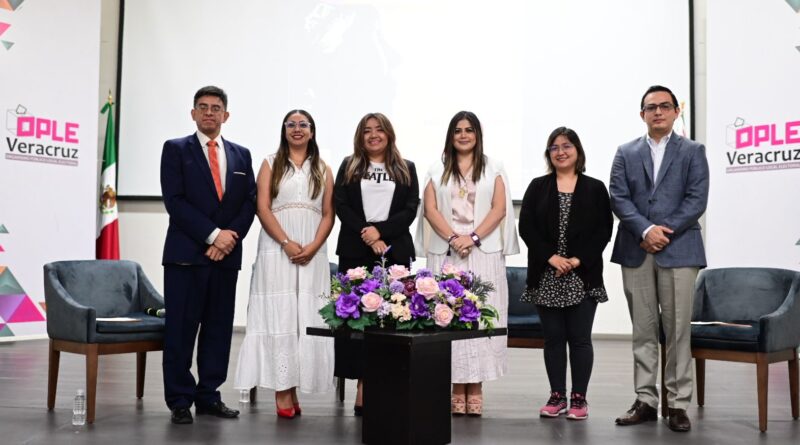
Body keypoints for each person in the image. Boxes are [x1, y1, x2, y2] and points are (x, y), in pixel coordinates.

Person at [610, 85, 709, 432]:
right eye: (651, 107)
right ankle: (646, 401)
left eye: (665, 106)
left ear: (675, 112)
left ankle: (678, 404)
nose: (658, 112)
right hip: (636, 248)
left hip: (679, 248)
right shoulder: (625, 152)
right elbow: (618, 197)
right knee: (643, 329)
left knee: (678, 330)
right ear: (642, 114)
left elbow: (697, 199)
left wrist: (662, 231)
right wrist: (645, 230)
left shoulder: (693, 151)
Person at [160, 86, 256, 424]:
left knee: (218, 330)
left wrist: (229, 238)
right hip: (186, 257)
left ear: (225, 115)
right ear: (193, 113)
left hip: (226, 258)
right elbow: (175, 201)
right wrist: (214, 235)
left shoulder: (242, 155)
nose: (209, 113)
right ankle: (179, 400)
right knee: (180, 331)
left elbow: (249, 202)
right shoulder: (175, 149)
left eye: (216, 108)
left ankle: (209, 395)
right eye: (202, 107)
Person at [233, 110, 335, 419]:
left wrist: (313, 246)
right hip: (277, 249)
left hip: (313, 250)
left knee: (305, 315)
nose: (297, 129)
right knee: (281, 315)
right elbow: (262, 208)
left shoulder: (323, 168)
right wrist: (287, 242)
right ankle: (282, 389)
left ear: (312, 131)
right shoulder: (270, 162)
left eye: (303, 124)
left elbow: (328, 213)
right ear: (284, 130)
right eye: (291, 124)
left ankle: (295, 385)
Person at [415, 111, 518, 416]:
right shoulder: (436, 168)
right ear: (451, 135)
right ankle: (455, 387)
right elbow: (430, 210)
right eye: (458, 130)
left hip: (483, 252)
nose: (463, 135)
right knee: (448, 317)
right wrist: (453, 237)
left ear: (477, 135)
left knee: (481, 318)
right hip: (446, 251)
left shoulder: (494, 167)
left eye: (469, 130)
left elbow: (499, 208)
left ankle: (476, 387)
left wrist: (471, 237)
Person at [518, 127, 612, 420]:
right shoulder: (537, 186)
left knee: (580, 339)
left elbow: (603, 230)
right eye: (554, 147)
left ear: (578, 151)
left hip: (582, 275)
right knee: (554, 339)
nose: (560, 152)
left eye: (567, 146)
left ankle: (579, 399)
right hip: (547, 273)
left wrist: (576, 260)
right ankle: (557, 396)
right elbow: (527, 227)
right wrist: (552, 258)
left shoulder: (595, 188)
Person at [333, 112, 419, 415]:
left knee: (393, 320)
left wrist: (381, 232)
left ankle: (388, 383)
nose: (373, 135)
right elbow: (341, 205)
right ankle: (362, 385)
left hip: (394, 252)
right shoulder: (349, 166)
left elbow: (410, 208)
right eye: (367, 130)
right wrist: (368, 235)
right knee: (357, 320)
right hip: (355, 252)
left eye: (379, 129)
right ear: (360, 136)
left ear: (389, 134)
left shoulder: (406, 168)